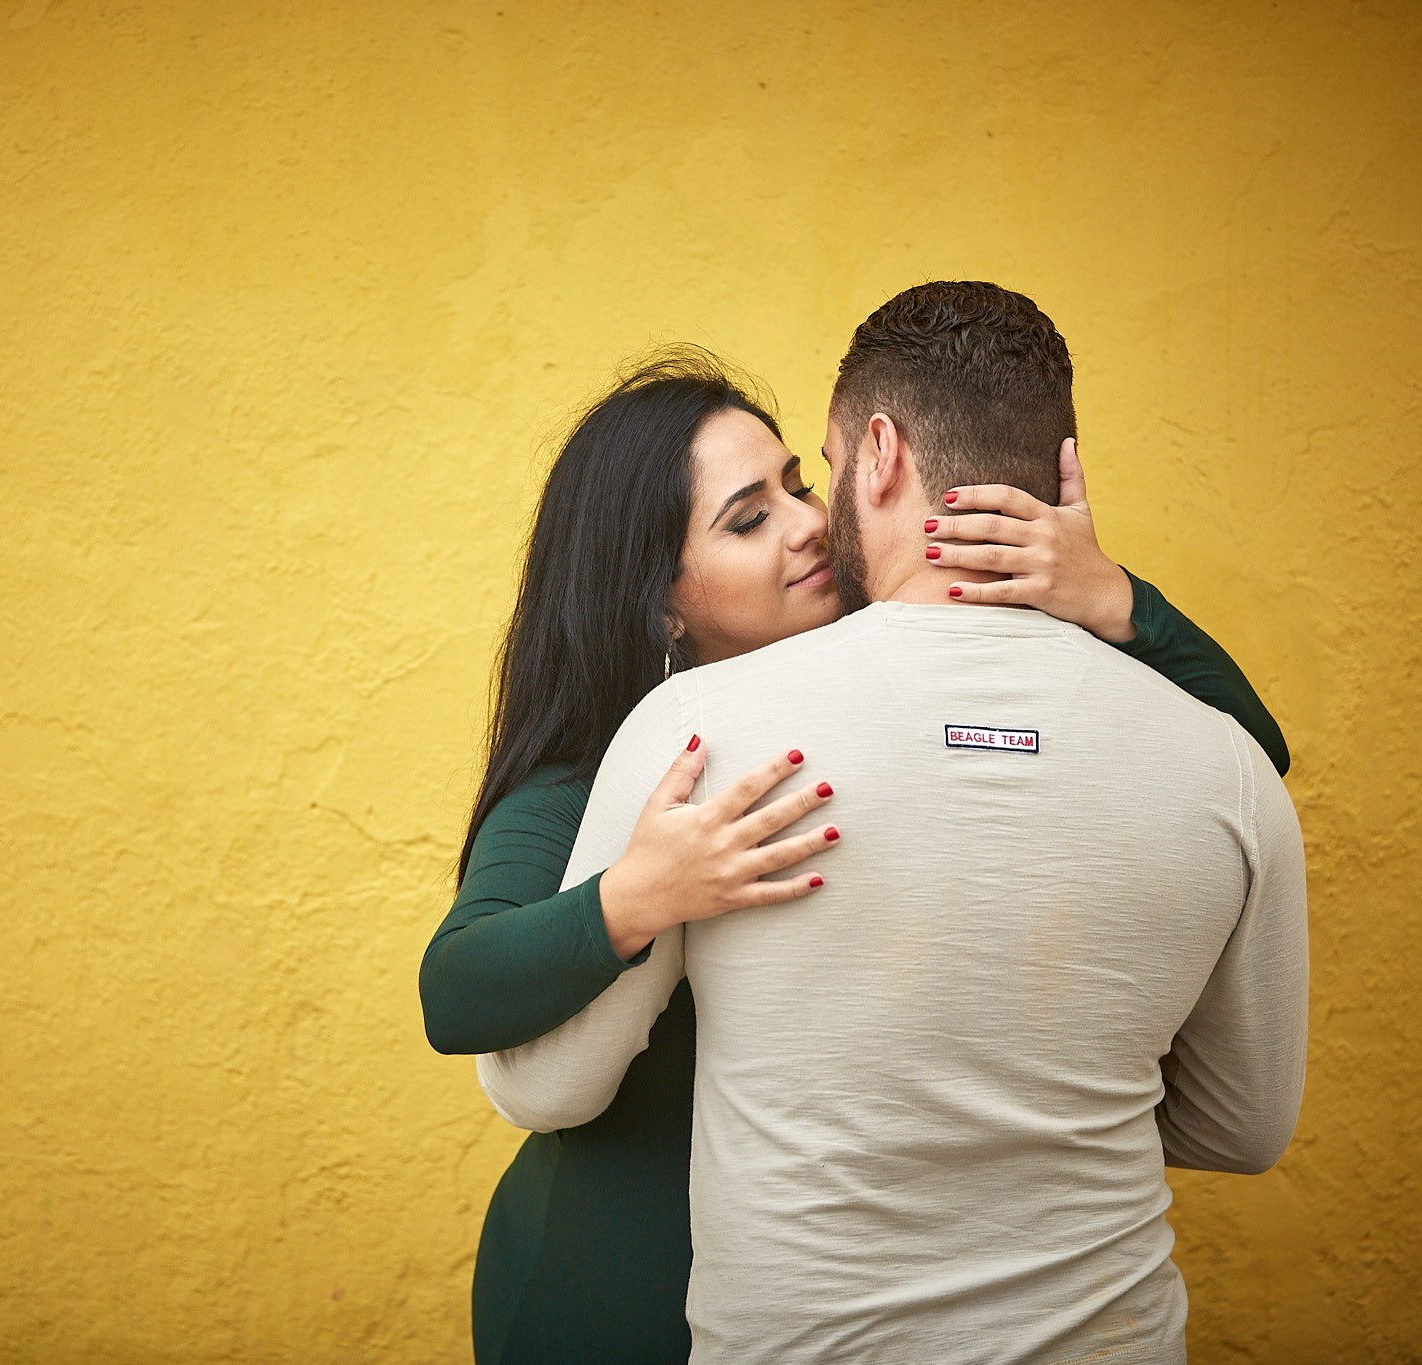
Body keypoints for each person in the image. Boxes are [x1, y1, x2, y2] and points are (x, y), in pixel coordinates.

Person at [472, 284, 1309, 1363]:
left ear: (876, 453)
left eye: (809, 475)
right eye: (754, 510)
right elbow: (1240, 1133)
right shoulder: (1226, 768)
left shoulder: (695, 735)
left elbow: (542, 1083)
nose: (811, 520)